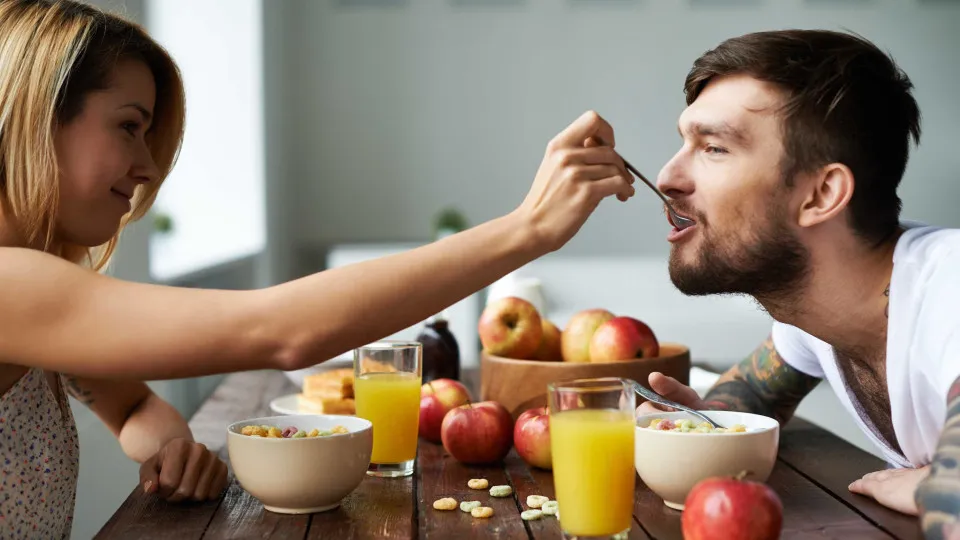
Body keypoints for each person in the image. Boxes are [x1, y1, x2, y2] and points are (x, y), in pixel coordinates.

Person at [0, 1, 635, 536]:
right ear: (33, 119)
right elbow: (283, 331)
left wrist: (171, 449)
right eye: (129, 127)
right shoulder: (11, 286)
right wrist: (526, 229)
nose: (147, 168)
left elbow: (133, 404)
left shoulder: (40, 283)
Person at [635, 29, 959, 538]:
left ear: (821, 194)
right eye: (685, 143)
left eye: (714, 148)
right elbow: (753, 395)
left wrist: (929, 489)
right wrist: (704, 426)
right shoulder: (819, 309)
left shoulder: (949, 292)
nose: (667, 177)